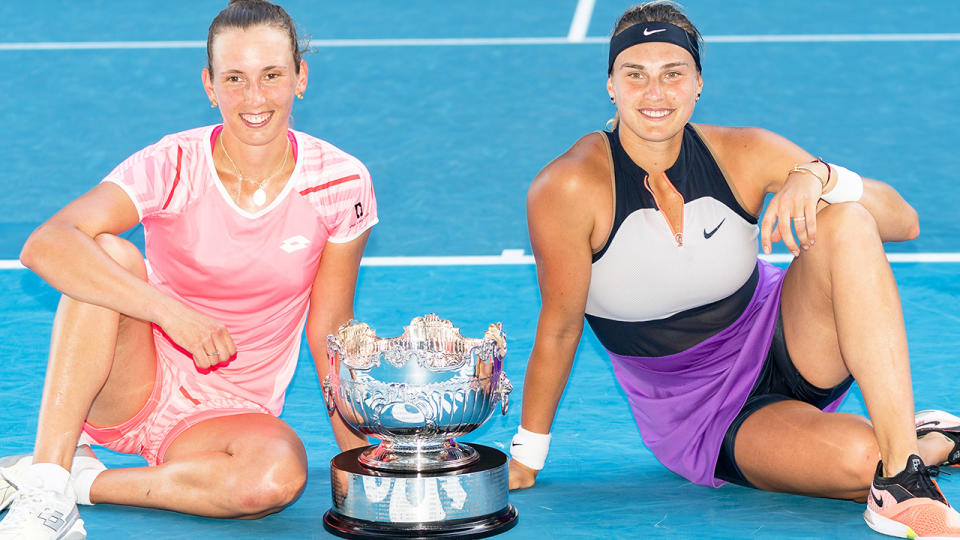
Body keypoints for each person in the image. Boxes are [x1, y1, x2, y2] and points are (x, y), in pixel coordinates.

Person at [507, 2, 960, 538]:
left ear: (698, 83)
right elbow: (560, 326)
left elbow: (902, 221)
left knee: (847, 218)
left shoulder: (741, 151)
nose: (656, 93)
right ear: (611, 84)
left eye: (673, 74)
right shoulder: (568, 188)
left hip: (794, 339)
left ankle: (904, 471)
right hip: (702, 412)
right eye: (636, 74)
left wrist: (820, 176)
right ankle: (927, 440)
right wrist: (527, 455)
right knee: (862, 461)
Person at [0, 1, 376, 538]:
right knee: (106, 254)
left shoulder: (341, 182)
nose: (254, 98)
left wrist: (360, 461)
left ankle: (73, 483)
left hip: (231, 411)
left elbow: (329, 329)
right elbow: (46, 244)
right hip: (132, 378)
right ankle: (46, 486)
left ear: (300, 78)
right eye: (234, 78)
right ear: (209, 84)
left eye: (271, 76)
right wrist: (171, 314)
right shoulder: (170, 163)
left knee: (272, 481)